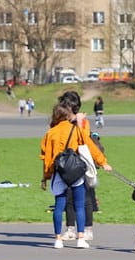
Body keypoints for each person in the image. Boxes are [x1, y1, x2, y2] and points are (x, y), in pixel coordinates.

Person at [40, 103, 111, 248]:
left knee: (59, 205)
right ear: (67, 115)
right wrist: (103, 162)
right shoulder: (75, 129)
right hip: (75, 171)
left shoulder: (50, 133)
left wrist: (46, 176)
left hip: (59, 172)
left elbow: (46, 157)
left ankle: (58, 239)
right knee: (79, 205)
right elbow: (89, 146)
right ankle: (80, 238)